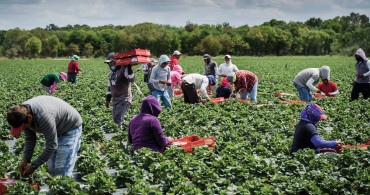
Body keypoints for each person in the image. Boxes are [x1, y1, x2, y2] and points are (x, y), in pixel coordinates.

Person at [6, 96, 82, 177]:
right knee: (52, 168)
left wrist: (34, 166)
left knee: (61, 170)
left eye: (23, 127)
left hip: (69, 128)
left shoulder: (43, 116)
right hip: (53, 127)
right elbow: (30, 138)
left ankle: (64, 187)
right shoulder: (22, 114)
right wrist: (25, 160)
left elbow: (52, 145)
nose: (24, 129)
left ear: (30, 118)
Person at [104, 52, 135, 129]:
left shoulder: (124, 69)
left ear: (115, 61)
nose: (109, 65)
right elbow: (109, 86)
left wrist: (129, 68)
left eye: (110, 62)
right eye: (108, 63)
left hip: (124, 98)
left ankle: (122, 133)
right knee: (115, 118)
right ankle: (126, 128)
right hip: (115, 99)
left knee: (117, 118)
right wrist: (108, 99)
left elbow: (132, 79)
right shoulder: (111, 74)